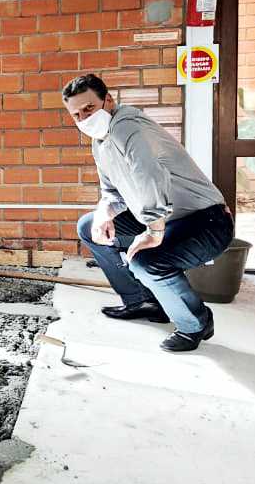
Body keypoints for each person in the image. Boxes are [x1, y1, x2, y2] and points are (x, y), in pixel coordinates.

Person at [63, 73, 234, 353]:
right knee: (89, 226)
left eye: (89, 108)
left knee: (146, 261)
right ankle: (142, 300)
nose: (83, 118)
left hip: (207, 220)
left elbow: (149, 175)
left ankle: (196, 324)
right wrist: (104, 212)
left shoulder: (128, 126)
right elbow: (112, 192)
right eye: (76, 114)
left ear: (108, 100)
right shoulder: (101, 142)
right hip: (168, 217)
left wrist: (153, 231)